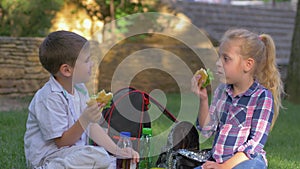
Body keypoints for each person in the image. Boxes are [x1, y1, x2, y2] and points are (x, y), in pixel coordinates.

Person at [24, 30, 139, 169]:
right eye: (87, 60)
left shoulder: (79, 89)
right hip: (49, 158)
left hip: (75, 155)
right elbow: (62, 142)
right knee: (98, 156)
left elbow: (92, 127)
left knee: (124, 163)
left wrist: (118, 152)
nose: (91, 64)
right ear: (67, 70)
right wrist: (85, 119)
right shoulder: (49, 97)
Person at [191, 28, 284, 169]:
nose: (218, 63)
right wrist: (203, 99)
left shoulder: (262, 97)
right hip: (219, 160)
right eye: (219, 57)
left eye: (226, 59)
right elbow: (207, 129)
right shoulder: (222, 90)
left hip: (246, 161)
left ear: (248, 64)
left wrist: (224, 167)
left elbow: (254, 146)